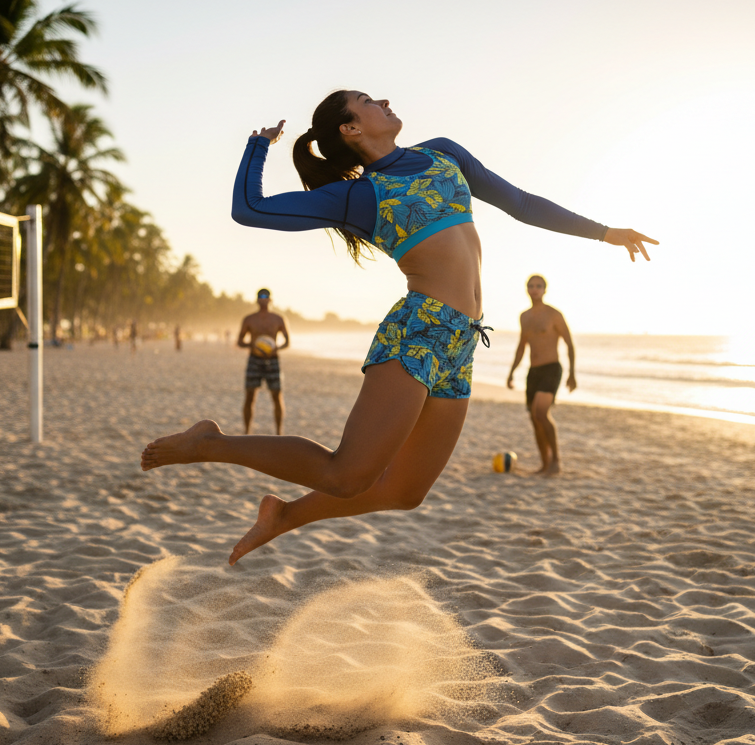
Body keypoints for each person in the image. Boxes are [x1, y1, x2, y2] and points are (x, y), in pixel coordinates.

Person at [141, 90, 658, 564]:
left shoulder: (442, 153)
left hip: (462, 340)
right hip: (419, 329)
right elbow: (249, 209)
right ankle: (209, 442)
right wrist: (258, 146)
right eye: (367, 101)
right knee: (347, 474)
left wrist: (605, 233)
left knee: (405, 491)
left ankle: (284, 515)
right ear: (350, 130)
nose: (383, 100)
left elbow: (520, 204)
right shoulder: (360, 196)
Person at [507, 274, 575, 475]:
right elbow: (521, 347)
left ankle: (556, 461)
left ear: (545, 289)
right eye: (531, 285)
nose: (534, 289)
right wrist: (511, 372)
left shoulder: (554, 314)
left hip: (551, 369)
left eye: (539, 286)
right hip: (533, 371)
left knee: (541, 413)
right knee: (533, 417)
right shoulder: (524, 316)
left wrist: (572, 374)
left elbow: (569, 343)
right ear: (526, 289)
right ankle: (544, 464)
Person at [237, 288, 291, 435]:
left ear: (270, 299)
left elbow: (287, 342)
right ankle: (247, 432)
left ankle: (279, 433)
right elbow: (240, 341)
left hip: (272, 360)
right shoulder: (249, 319)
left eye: (266, 296)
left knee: (276, 395)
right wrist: (251, 345)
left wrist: (277, 348)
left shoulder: (278, 319)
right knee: (249, 396)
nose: (263, 299)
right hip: (254, 359)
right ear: (256, 299)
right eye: (260, 296)